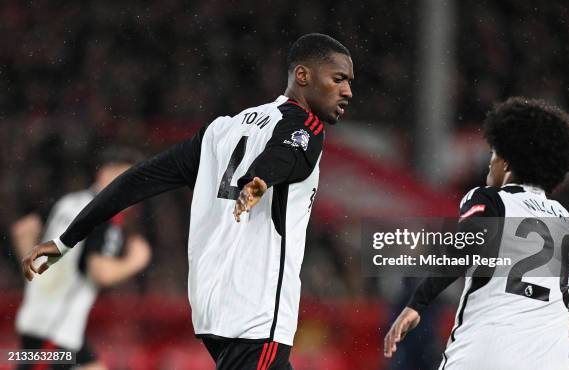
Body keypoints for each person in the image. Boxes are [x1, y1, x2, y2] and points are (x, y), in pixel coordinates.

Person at [21, 33, 353, 369]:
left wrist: (66, 240)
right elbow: (286, 154)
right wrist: (260, 179)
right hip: (256, 315)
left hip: (213, 313)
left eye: (349, 82)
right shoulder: (307, 126)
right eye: (338, 79)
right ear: (303, 75)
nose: (347, 91)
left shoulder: (219, 131)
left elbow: (136, 180)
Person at [384, 97, 569, 370]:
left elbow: (462, 249)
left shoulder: (491, 200)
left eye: (494, 153)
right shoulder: (565, 219)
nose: (490, 162)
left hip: (486, 352)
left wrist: (417, 303)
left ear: (509, 163)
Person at [11, 147, 151, 370]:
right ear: (105, 173)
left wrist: (36, 275)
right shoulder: (107, 212)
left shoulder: (69, 202)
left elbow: (23, 230)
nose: (135, 192)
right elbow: (100, 272)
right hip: (55, 331)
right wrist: (136, 261)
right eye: (130, 180)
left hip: (47, 322)